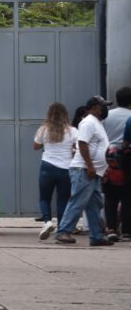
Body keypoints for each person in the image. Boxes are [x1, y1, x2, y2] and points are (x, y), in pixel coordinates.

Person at [55, 96, 114, 246]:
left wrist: (102, 170)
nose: (105, 109)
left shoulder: (97, 123)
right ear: (94, 108)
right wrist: (90, 166)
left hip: (93, 172)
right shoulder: (88, 122)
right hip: (84, 170)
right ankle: (63, 232)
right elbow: (82, 144)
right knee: (78, 201)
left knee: (95, 204)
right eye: (102, 106)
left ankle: (96, 236)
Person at [33, 103, 77, 240]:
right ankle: (61, 228)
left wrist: (45, 144)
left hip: (47, 167)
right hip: (65, 168)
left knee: (44, 198)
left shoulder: (43, 129)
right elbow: (78, 146)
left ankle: (47, 222)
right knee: (63, 200)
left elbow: (35, 146)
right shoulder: (72, 130)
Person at [102, 87, 131, 241]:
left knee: (110, 195)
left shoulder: (108, 116)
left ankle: (111, 228)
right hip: (127, 158)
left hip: (110, 158)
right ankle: (127, 231)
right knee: (127, 196)